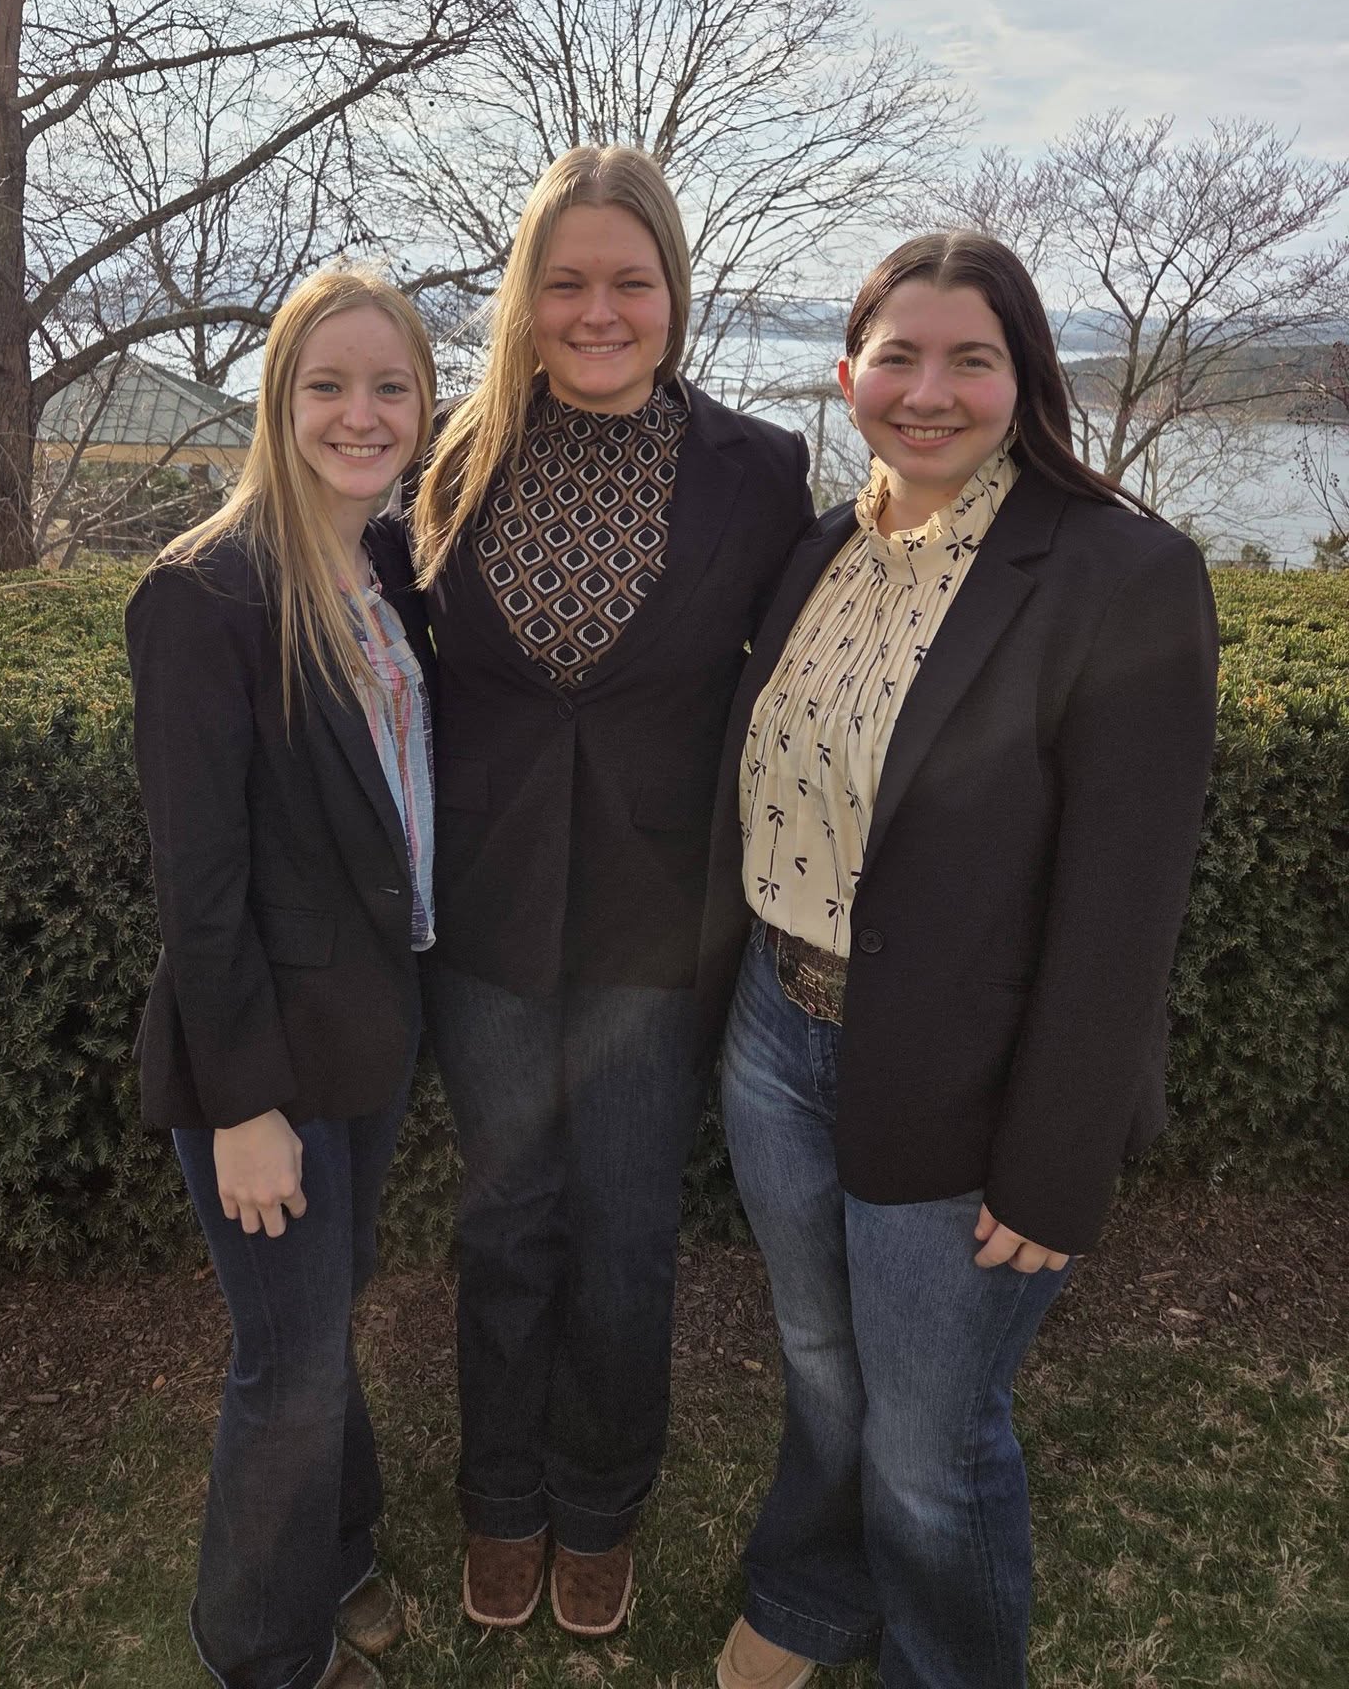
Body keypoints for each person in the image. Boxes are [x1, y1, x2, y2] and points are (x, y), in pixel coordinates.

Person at [708, 231, 1219, 1689]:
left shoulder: (1119, 575)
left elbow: (1127, 904)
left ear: (1023, 376)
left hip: (961, 1076)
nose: (928, 392)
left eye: (970, 359)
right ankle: (816, 1596)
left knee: (936, 1441)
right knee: (821, 1366)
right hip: (775, 1033)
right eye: (899, 356)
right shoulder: (816, 547)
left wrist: (1057, 1160)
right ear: (849, 371)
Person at [409, 145, 814, 1639]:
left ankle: (602, 1504)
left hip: (661, 926)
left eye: (627, 282)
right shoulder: (448, 459)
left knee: (630, 1232)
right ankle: (500, 1497)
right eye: (566, 282)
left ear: (673, 294)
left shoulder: (762, 473)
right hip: (490, 921)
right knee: (507, 1219)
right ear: (525, 301)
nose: (598, 310)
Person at [125, 270, 438, 1689]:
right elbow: (198, 889)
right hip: (264, 1065)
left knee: (327, 1319)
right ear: (278, 397)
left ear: (426, 408)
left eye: (390, 387)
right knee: (288, 1364)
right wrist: (246, 1105)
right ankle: (263, 1652)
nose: (358, 414)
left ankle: (343, 1546)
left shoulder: (393, 575)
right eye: (328, 385)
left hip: (368, 1036)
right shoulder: (209, 594)